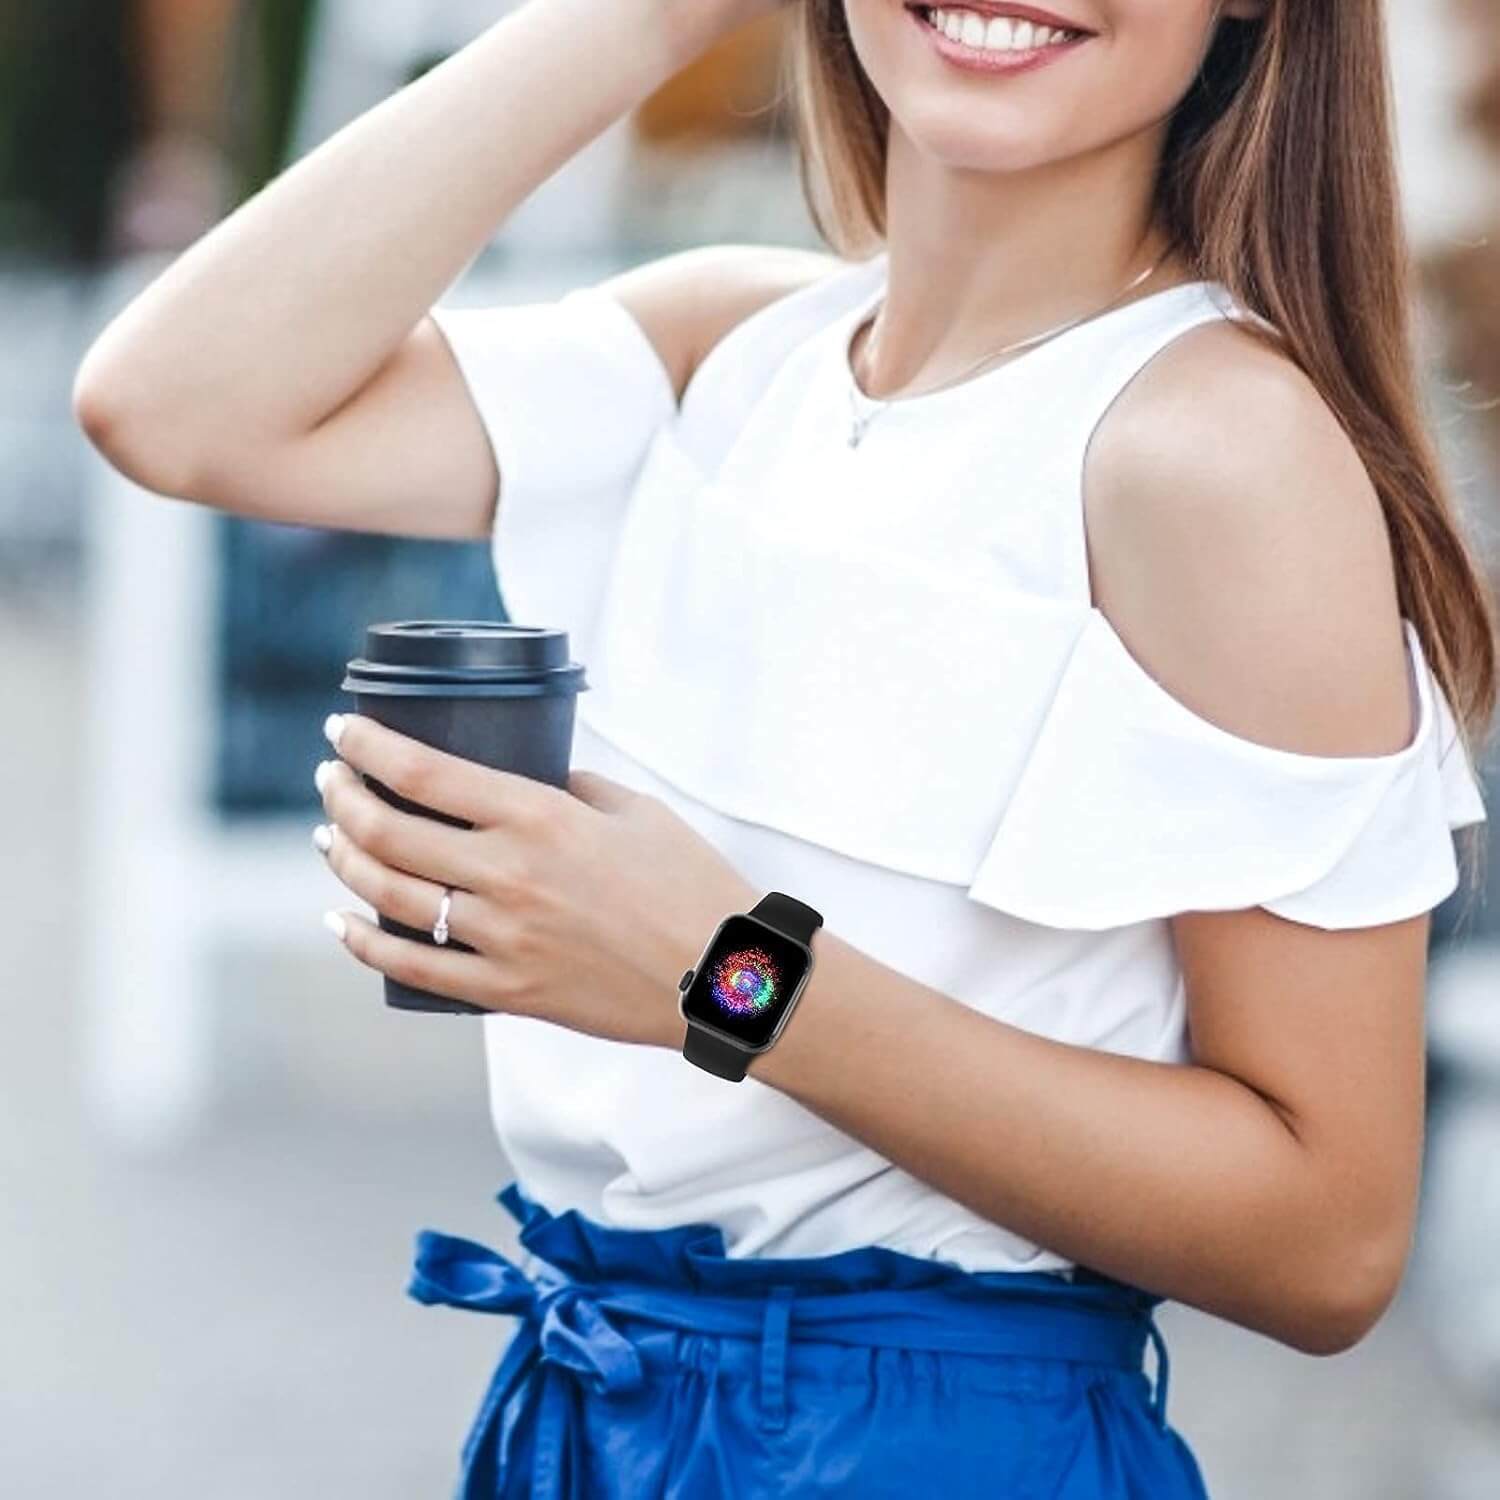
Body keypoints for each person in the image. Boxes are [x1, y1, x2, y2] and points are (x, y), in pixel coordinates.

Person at [72, 0, 1497, 1495]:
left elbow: (1328, 1238)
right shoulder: (731, 355)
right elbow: (175, 405)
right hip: (592, 1410)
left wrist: (719, 972)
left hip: (932, 1448)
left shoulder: (1213, 456)